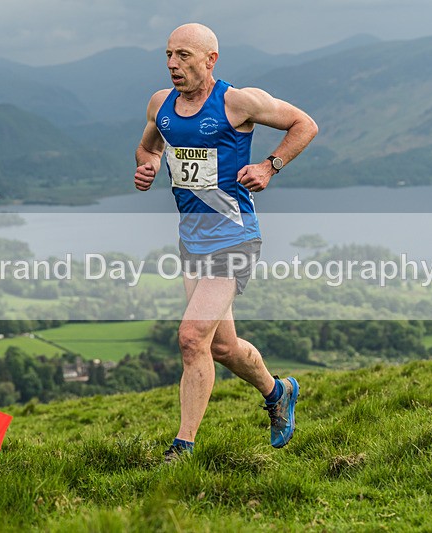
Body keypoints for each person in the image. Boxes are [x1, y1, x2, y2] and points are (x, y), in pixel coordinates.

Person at [134, 22, 318, 461]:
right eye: (168, 55)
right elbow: (148, 149)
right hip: (191, 242)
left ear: (210, 59)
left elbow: (304, 124)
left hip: (235, 239)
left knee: (192, 338)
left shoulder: (237, 102)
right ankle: (278, 392)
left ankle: (183, 448)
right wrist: (146, 165)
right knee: (222, 347)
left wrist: (270, 166)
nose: (172, 65)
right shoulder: (160, 105)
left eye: (183, 56)